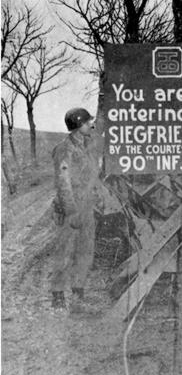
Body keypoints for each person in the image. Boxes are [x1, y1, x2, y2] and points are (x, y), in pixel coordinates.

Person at [50, 107, 100, 310]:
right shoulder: (65, 148)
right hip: (70, 207)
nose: (91, 125)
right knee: (65, 250)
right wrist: (71, 211)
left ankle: (78, 290)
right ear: (79, 126)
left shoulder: (85, 146)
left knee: (86, 249)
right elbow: (63, 182)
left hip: (87, 206)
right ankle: (58, 294)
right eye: (88, 122)